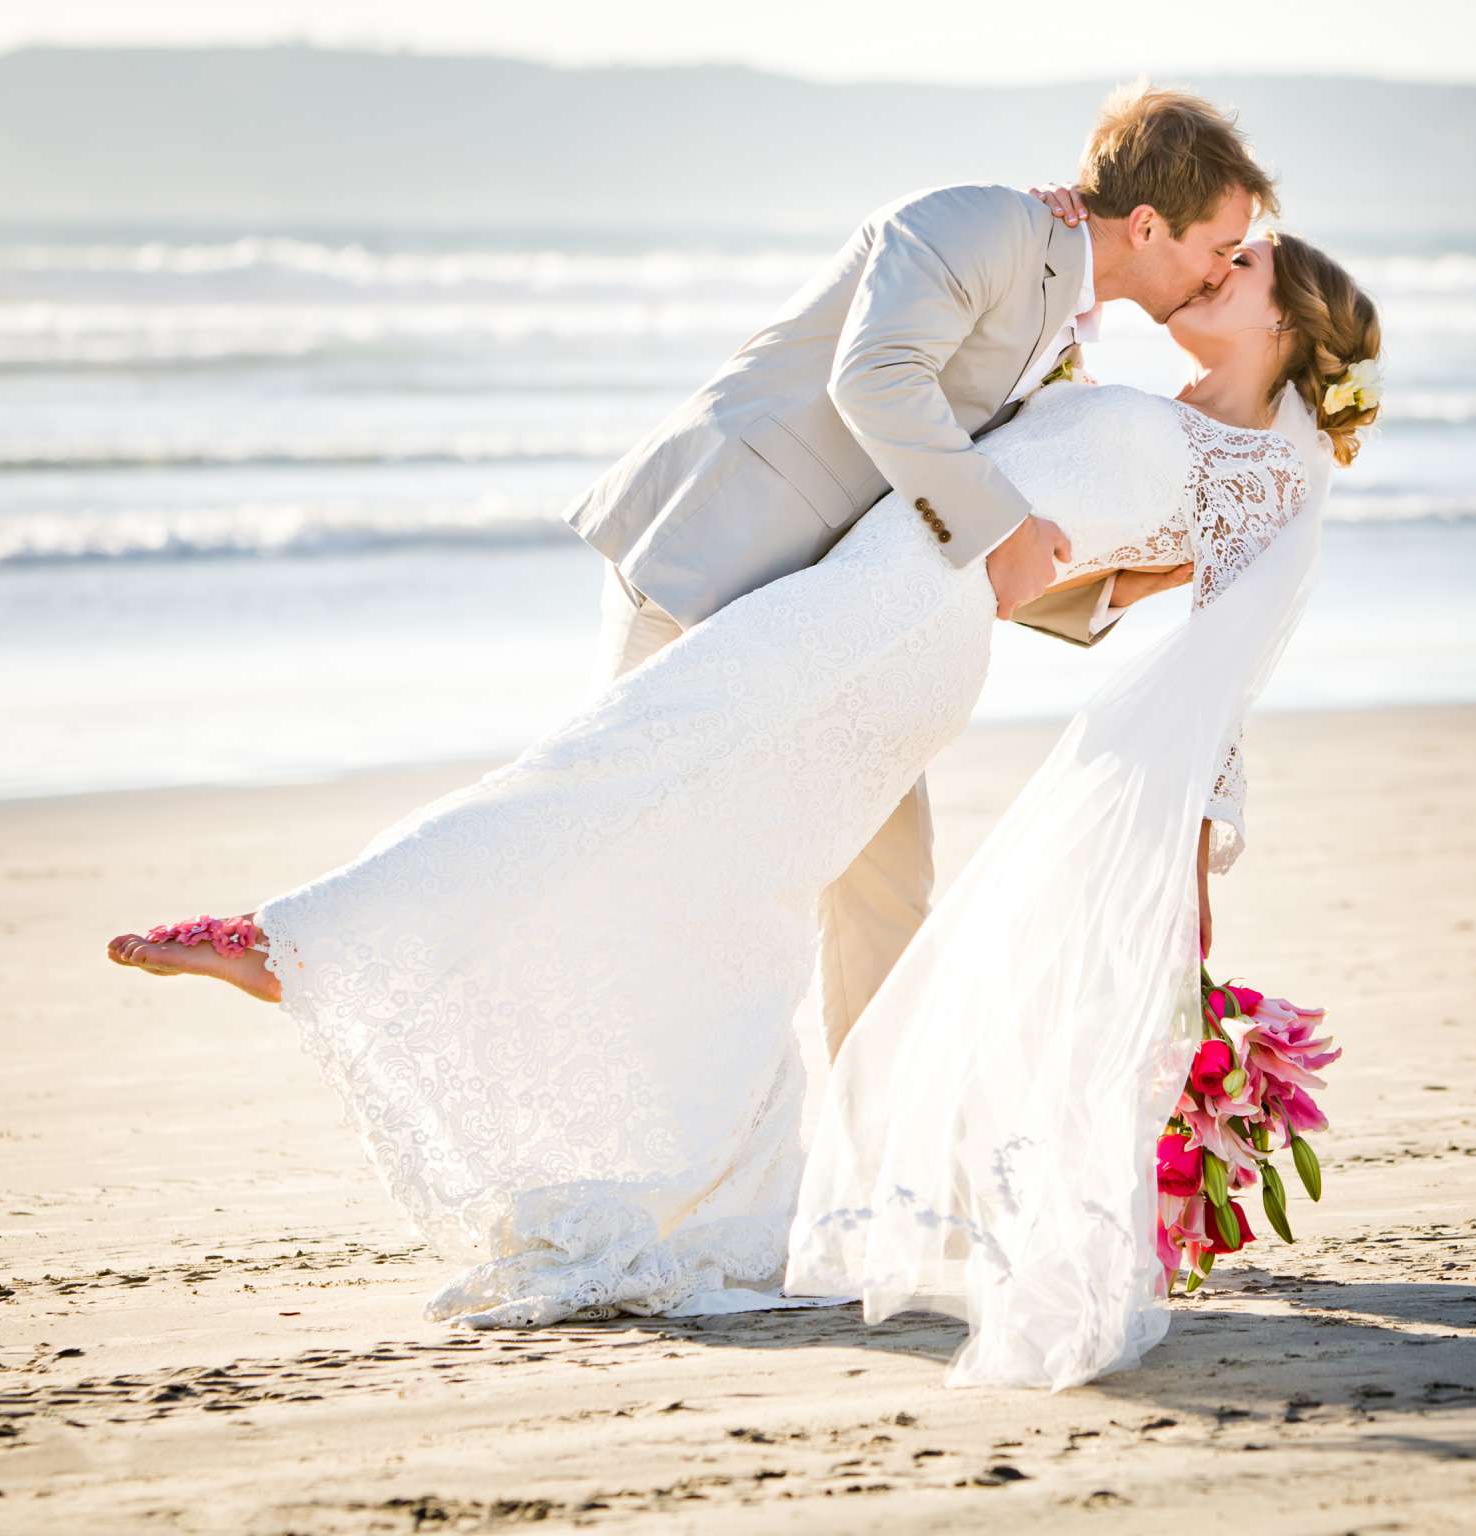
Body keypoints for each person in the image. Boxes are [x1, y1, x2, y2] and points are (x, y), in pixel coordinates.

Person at [106, 181, 1385, 1385]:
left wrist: (1195, 836)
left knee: (626, 768)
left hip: (891, 634)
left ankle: (306, 940)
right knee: (714, 869)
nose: (1225, 263)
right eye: (1227, 242)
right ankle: (734, 1182)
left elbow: (1207, 655)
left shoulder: (1268, 476)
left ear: (1291, 321)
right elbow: (1033, 523)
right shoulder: (1127, 392)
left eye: (1249, 261)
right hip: (862, 612)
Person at [567, 82, 1277, 1062]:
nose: (1220, 272)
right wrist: (1002, 531)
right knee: (624, 847)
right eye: (1216, 247)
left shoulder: (1065, 328)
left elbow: (958, 494)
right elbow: (878, 378)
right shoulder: (976, 223)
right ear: (1151, 224)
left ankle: (870, 1167)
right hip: (711, 559)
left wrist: (1117, 587)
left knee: (887, 883)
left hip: (837, 615)